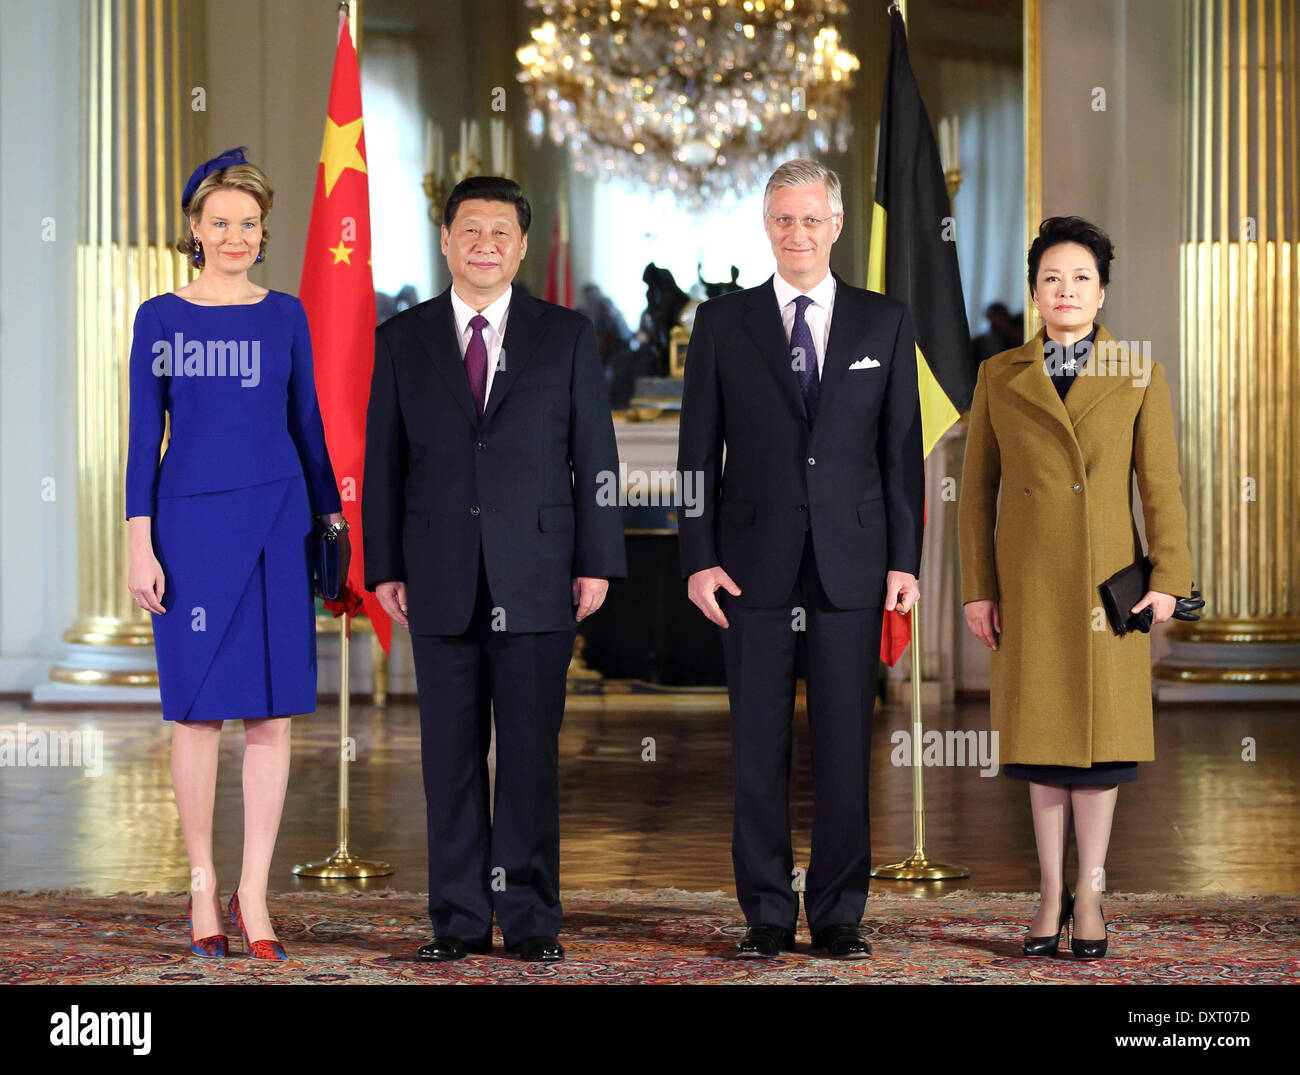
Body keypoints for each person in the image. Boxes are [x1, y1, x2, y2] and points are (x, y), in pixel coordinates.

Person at [363, 176, 626, 963]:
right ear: (446, 241)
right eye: (469, 229)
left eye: (500, 232)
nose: (485, 244)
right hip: (436, 572)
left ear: (521, 246)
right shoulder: (401, 338)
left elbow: (595, 457)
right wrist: (384, 567)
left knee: (530, 760)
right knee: (448, 760)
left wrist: (598, 559)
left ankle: (533, 918)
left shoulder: (567, 335)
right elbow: (382, 463)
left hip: (540, 574)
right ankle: (458, 918)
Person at [677, 159, 924, 959]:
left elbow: (900, 457)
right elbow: (693, 456)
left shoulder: (883, 322)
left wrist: (904, 560)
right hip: (749, 566)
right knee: (758, 746)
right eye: (784, 219)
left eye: (812, 219)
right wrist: (697, 556)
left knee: (846, 744)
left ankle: (841, 911)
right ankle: (765, 914)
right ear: (766, 226)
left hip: (854, 565)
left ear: (838, 226)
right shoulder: (722, 323)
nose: (798, 233)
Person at [125, 147, 345, 960]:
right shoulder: (160, 316)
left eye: (248, 223)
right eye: (220, 222)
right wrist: (137, 540)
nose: (235, 235)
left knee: (271, 711)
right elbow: (145, 434)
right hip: (187, 530)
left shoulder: (286, 314)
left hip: (279, 525)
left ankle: (254, 891)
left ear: (262, 231)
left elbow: (309, 429)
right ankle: (201, 882)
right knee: (197, 712)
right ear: (194, 228)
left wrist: (332, 525)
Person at [958, 215, 1195, 960]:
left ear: (1103, 292)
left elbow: (1161, 488)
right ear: (1034, 291)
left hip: (1106, 592)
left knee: (1099, 754)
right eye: (1052, 278)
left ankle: (1090, 891)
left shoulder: (1138, 373)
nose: (1066, 290)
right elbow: (975, 494)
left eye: (1081, 278)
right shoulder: (999, 374)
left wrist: (1170, 579)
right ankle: (1048, 891)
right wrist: (977, 588)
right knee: (1044, 750)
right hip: (1028, 586)